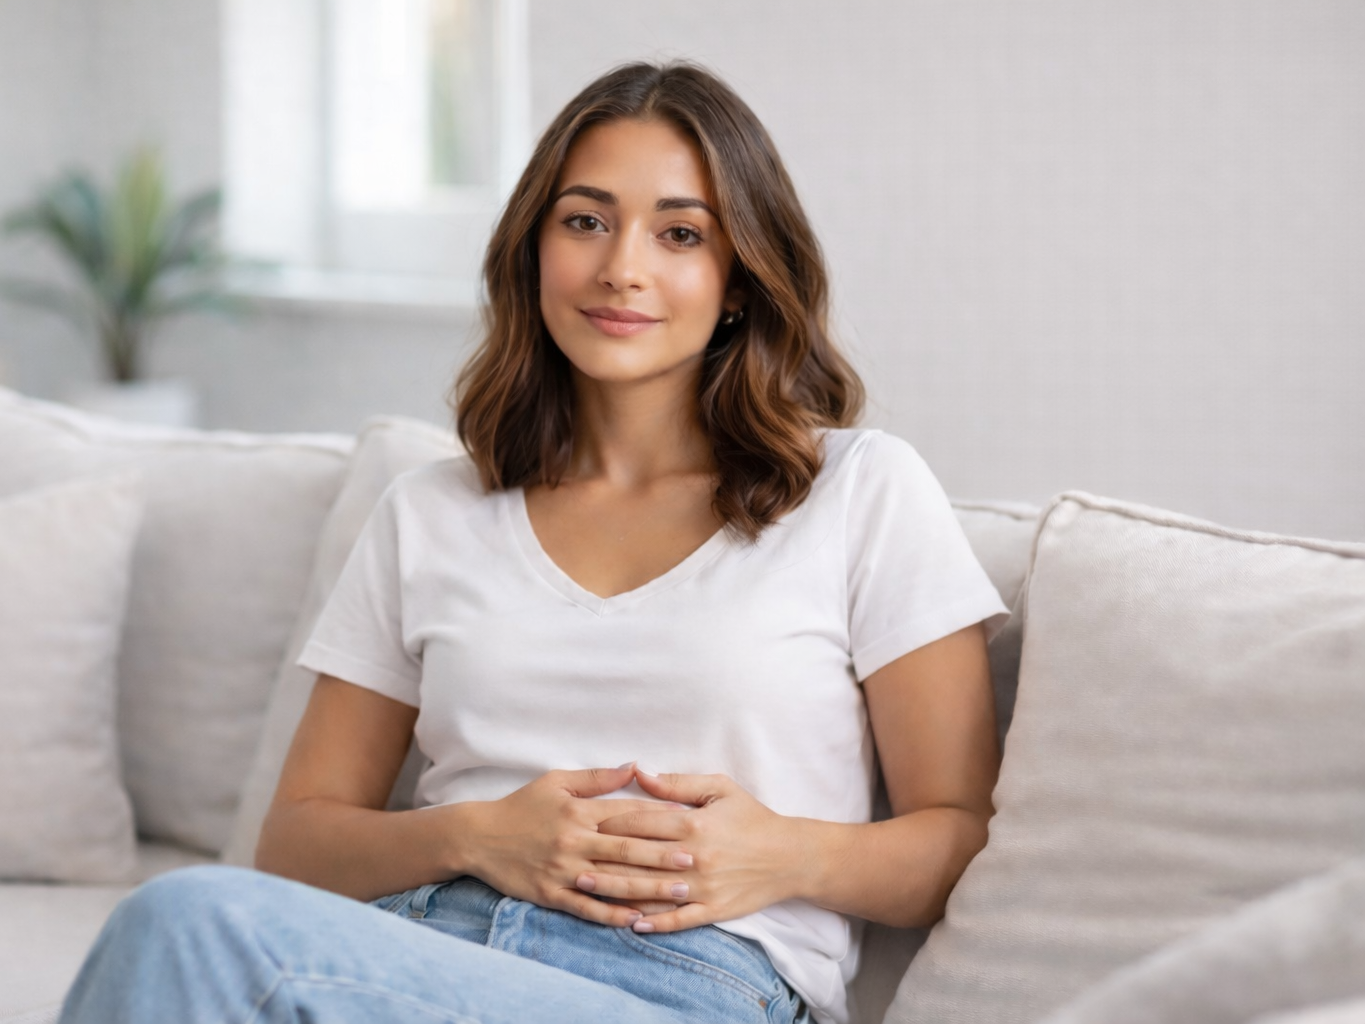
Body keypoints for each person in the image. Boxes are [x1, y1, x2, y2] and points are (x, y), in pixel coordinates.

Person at [59, 60, 1007, 1024]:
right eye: (585, 220)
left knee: (183, 923)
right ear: (533, 249)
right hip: (418, 952)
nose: (620, 268)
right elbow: (297, 844)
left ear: (737, 281)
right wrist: (476, 837)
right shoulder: (431, 513)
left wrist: (786, 854)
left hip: (693, 985)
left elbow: (958, 837)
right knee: (185, 926)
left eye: (680, 233)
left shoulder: (859, 493)